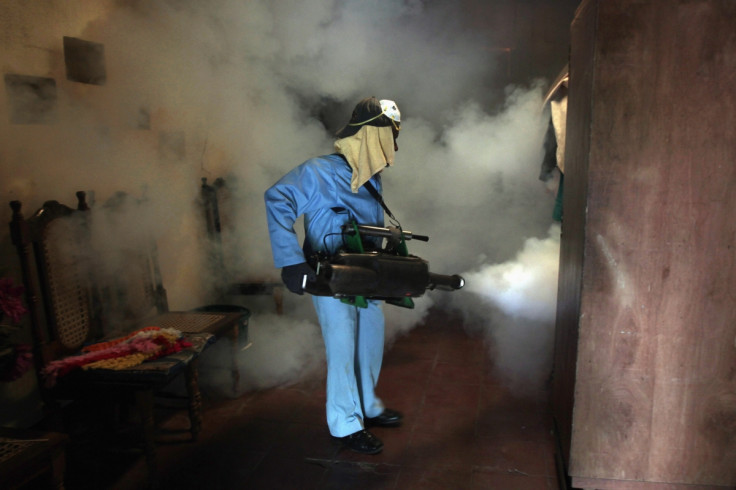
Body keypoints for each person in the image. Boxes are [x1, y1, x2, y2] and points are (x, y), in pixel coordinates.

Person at [264, 97, 403, 455]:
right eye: (388, 134)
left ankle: (366, 407)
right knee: (343, 348)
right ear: (368, 134)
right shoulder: (318, 171)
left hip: (367, 276)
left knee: (369, 344)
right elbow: (277, 198)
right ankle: (345, 424)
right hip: (331, 279)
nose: (393, 145)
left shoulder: (371, 179)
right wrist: (291, 260)